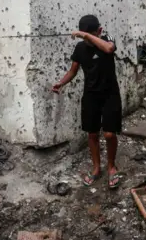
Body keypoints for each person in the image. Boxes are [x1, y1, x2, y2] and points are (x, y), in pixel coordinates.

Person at [52, 15, 123, 189]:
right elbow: (73, 71)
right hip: (91, 96)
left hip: (110, 95)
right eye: (85, 37)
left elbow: (108, 49)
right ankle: (97, 168)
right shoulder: (80, 48)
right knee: (92, 134)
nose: (87, 41)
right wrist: (61, 82)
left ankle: (112, 167)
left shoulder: (107, 40)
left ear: (99, 31)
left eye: (89, 37)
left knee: (109, 134)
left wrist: (86, 36)